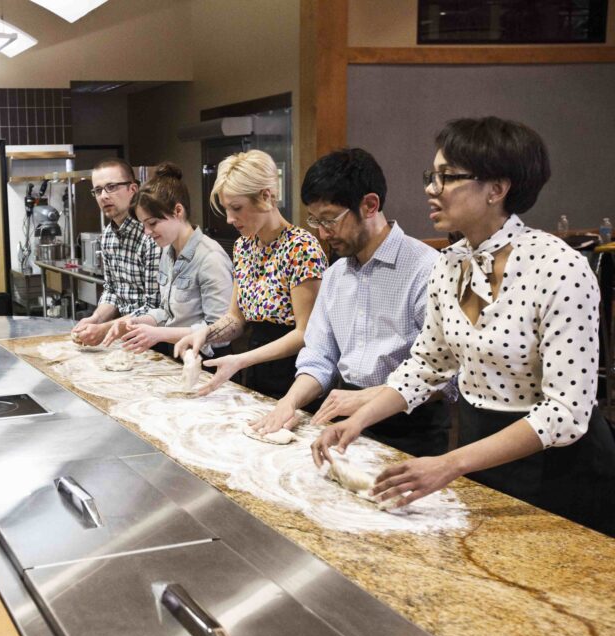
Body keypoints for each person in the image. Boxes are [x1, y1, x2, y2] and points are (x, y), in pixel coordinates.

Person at [311, 116, 615, 536]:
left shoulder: (560, 267)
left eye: (448, 176)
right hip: (480, 449)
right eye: (431, 176)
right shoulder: (450, 264)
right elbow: (427, 367)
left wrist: (452, 462)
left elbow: (567, 412)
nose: (431, 188)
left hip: (559, 467)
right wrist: (359, 419)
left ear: (497, 189)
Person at [250, 148, 451, 455]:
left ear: (370, 205)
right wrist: (288, 404)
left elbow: (446, 376)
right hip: (342, 415)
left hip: (409, 428)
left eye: (329, 220)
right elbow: (319, 356)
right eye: (315, 220)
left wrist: (366, 399)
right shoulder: (335, 275)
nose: (322, 232)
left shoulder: (428, 269)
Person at [174, 150, 326, 398]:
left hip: (295, 375)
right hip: (254, 371)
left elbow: (305, 333)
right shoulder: (243, 247)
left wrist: (242, 359)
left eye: (236, 208)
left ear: (265, 196)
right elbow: (235, 319)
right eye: (226, 209)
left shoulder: (301, 247)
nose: (230, 218)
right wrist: (204, 333)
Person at [101, 162, 233, 357]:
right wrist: (135, 322)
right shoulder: (168, 252)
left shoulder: (210, 257)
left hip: (209, 362)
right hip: (179, 355)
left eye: (153, 223)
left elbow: (222, 332)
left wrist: (159, 334)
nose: (147, 233)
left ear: (178, 211)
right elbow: (166, 313)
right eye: (144, 225)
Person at [70, 158, 160, 346]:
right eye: (98, 190)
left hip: (153, 337)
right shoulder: (108, 236)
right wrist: (95, 319)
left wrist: (105, 329)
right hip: (124, 335)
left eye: (111, 187)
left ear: (133, 190)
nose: (103, 196)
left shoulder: (151, 235)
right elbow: (112, 290)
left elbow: (155, 306)